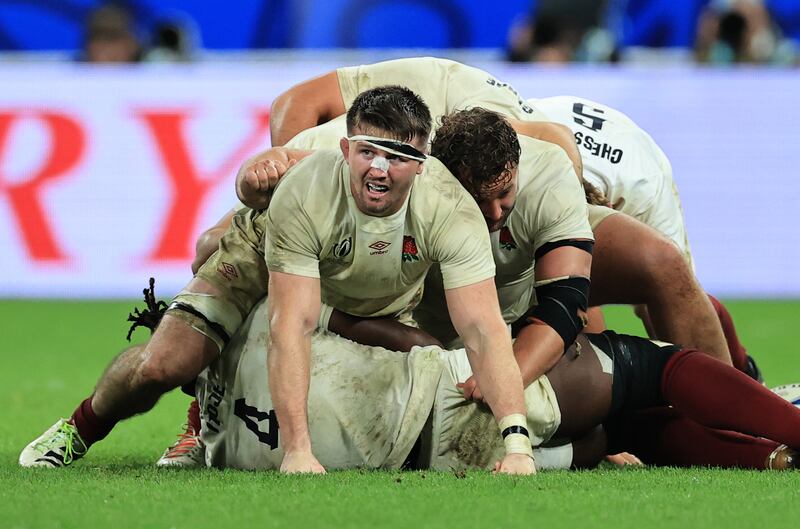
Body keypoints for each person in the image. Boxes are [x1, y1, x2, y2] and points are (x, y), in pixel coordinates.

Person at [20, 86, 535, 475]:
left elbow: (484, 330)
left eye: (397, 158)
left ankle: (211, 405)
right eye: (367, 152)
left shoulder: (452, 211)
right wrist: (298, 452)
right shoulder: (306, 192)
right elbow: (291, 325)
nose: (379, 169)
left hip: (372, 295)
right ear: (345, 146)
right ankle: (83, 427)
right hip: (262, 260)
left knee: (422, 357)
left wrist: (517, 443)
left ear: (423, 164)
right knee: (163, 365)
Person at [196, 296, 800, 472]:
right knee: (650, 365)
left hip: (443, 461)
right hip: (458, 387)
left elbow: (586, 449)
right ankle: (791, 424)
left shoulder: (221, 451)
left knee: (621, 435)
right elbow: (406, 342)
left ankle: (775, 460)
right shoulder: (259, 324)